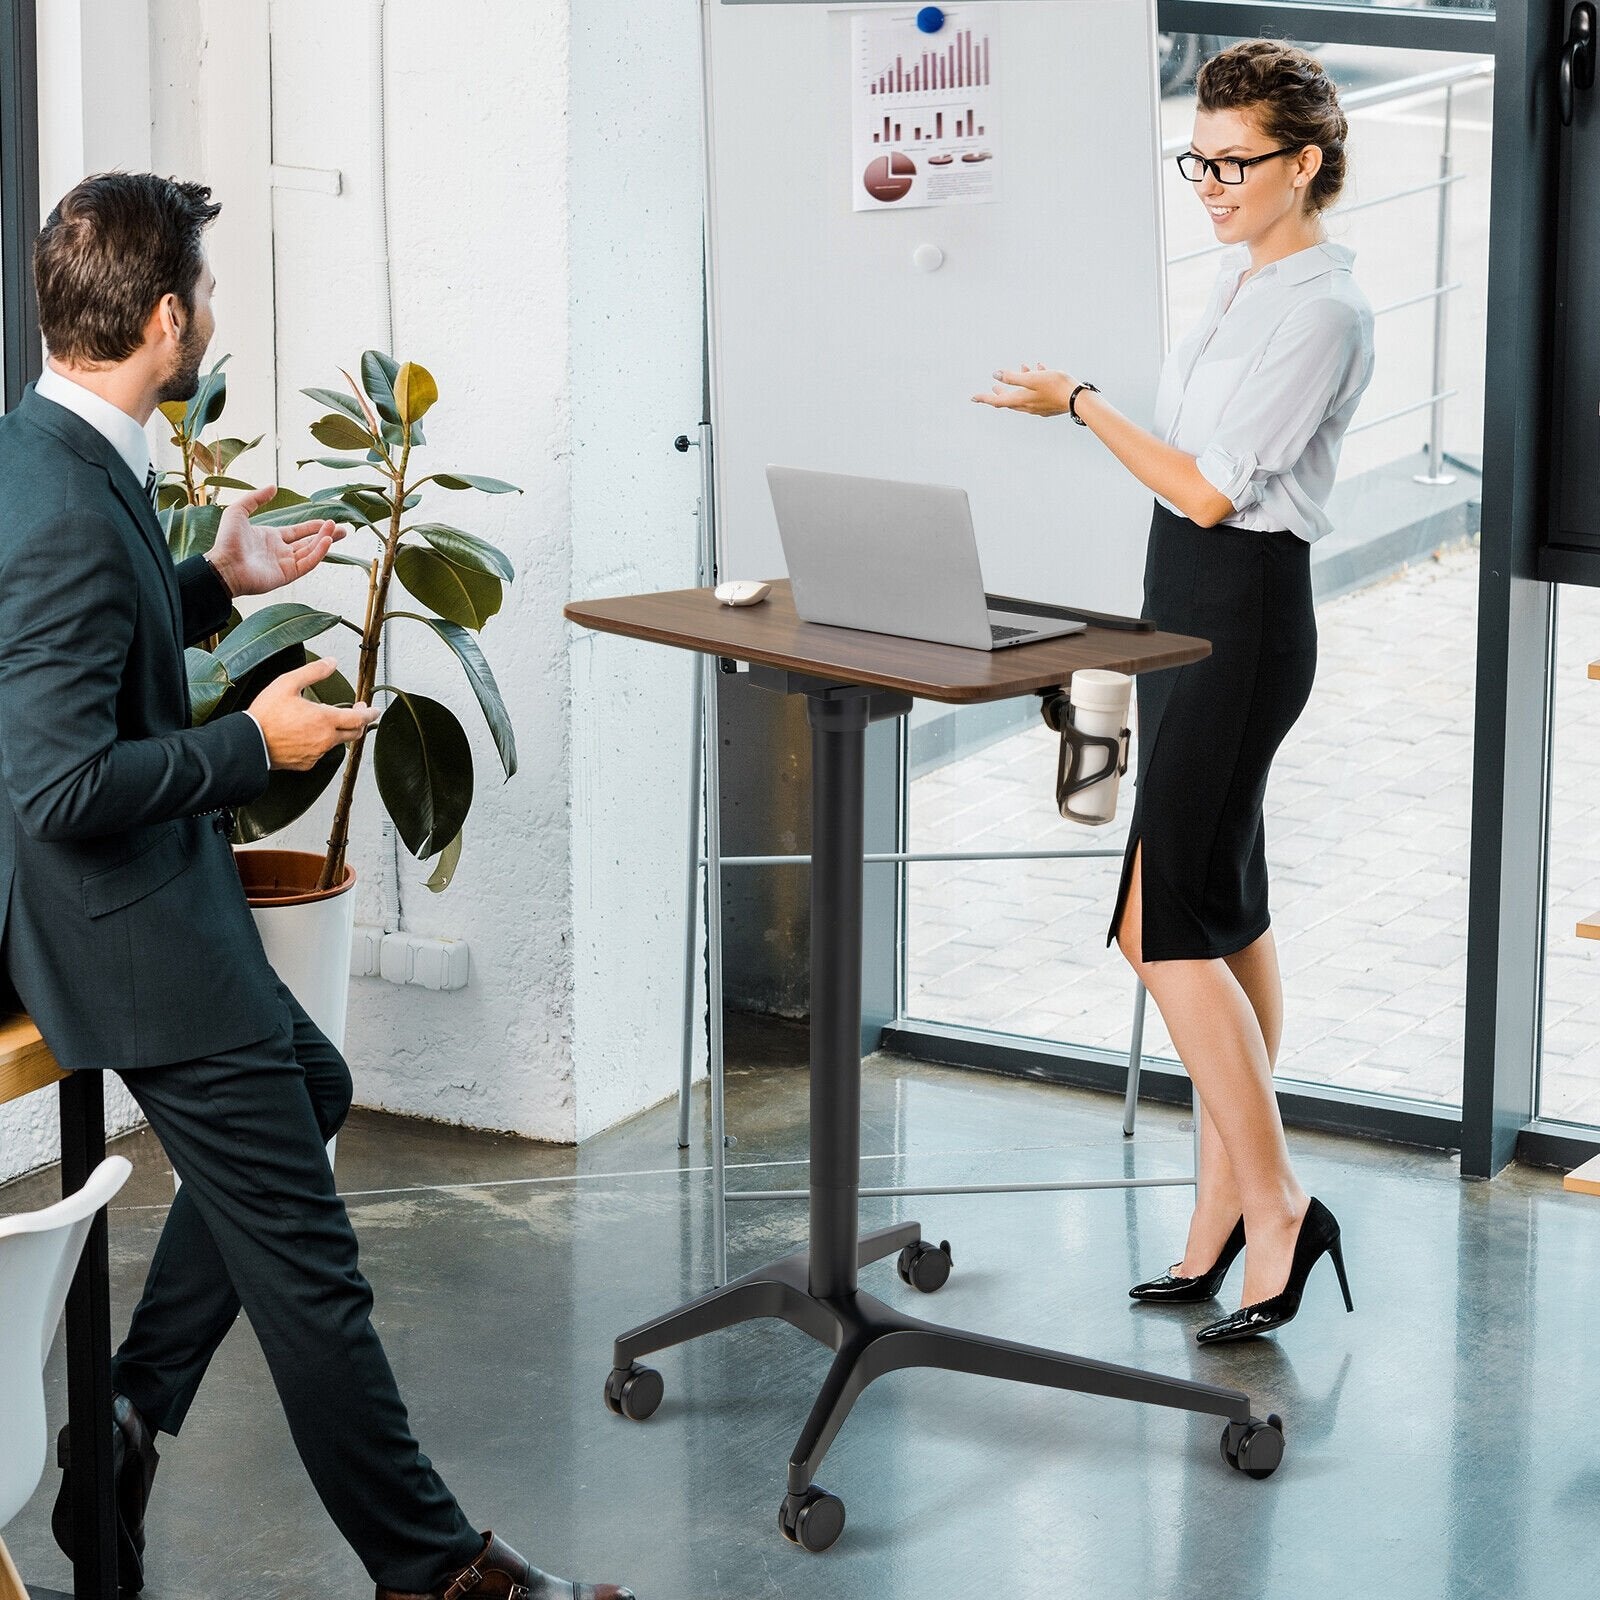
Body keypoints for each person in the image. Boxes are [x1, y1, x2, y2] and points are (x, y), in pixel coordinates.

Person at [0, 173, 635, 1600]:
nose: (212, 317)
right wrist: (252, 744)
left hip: (153, 898)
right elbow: (53, 785)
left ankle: (125, 1414)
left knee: (320, 1087)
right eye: (207, 296)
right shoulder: (57, 497)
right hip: (119, 930)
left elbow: (91, 630)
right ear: (167, 320)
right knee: (313, 1273)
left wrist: (213, 581)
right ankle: (435, 1572)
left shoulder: (48, 447)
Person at [973, 41, 1373, 1344]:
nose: (1208, 182)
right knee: (1225, 910)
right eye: (1196, 158)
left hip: (1242, 613)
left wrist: (1079, 402)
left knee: (1160, 927)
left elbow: (1207, 488)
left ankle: (1281, 1209)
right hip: (1187, 606)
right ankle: (1220, 1217)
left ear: (1305, 163)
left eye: (1234, 162)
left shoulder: (1320, 306)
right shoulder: (1243, 279)